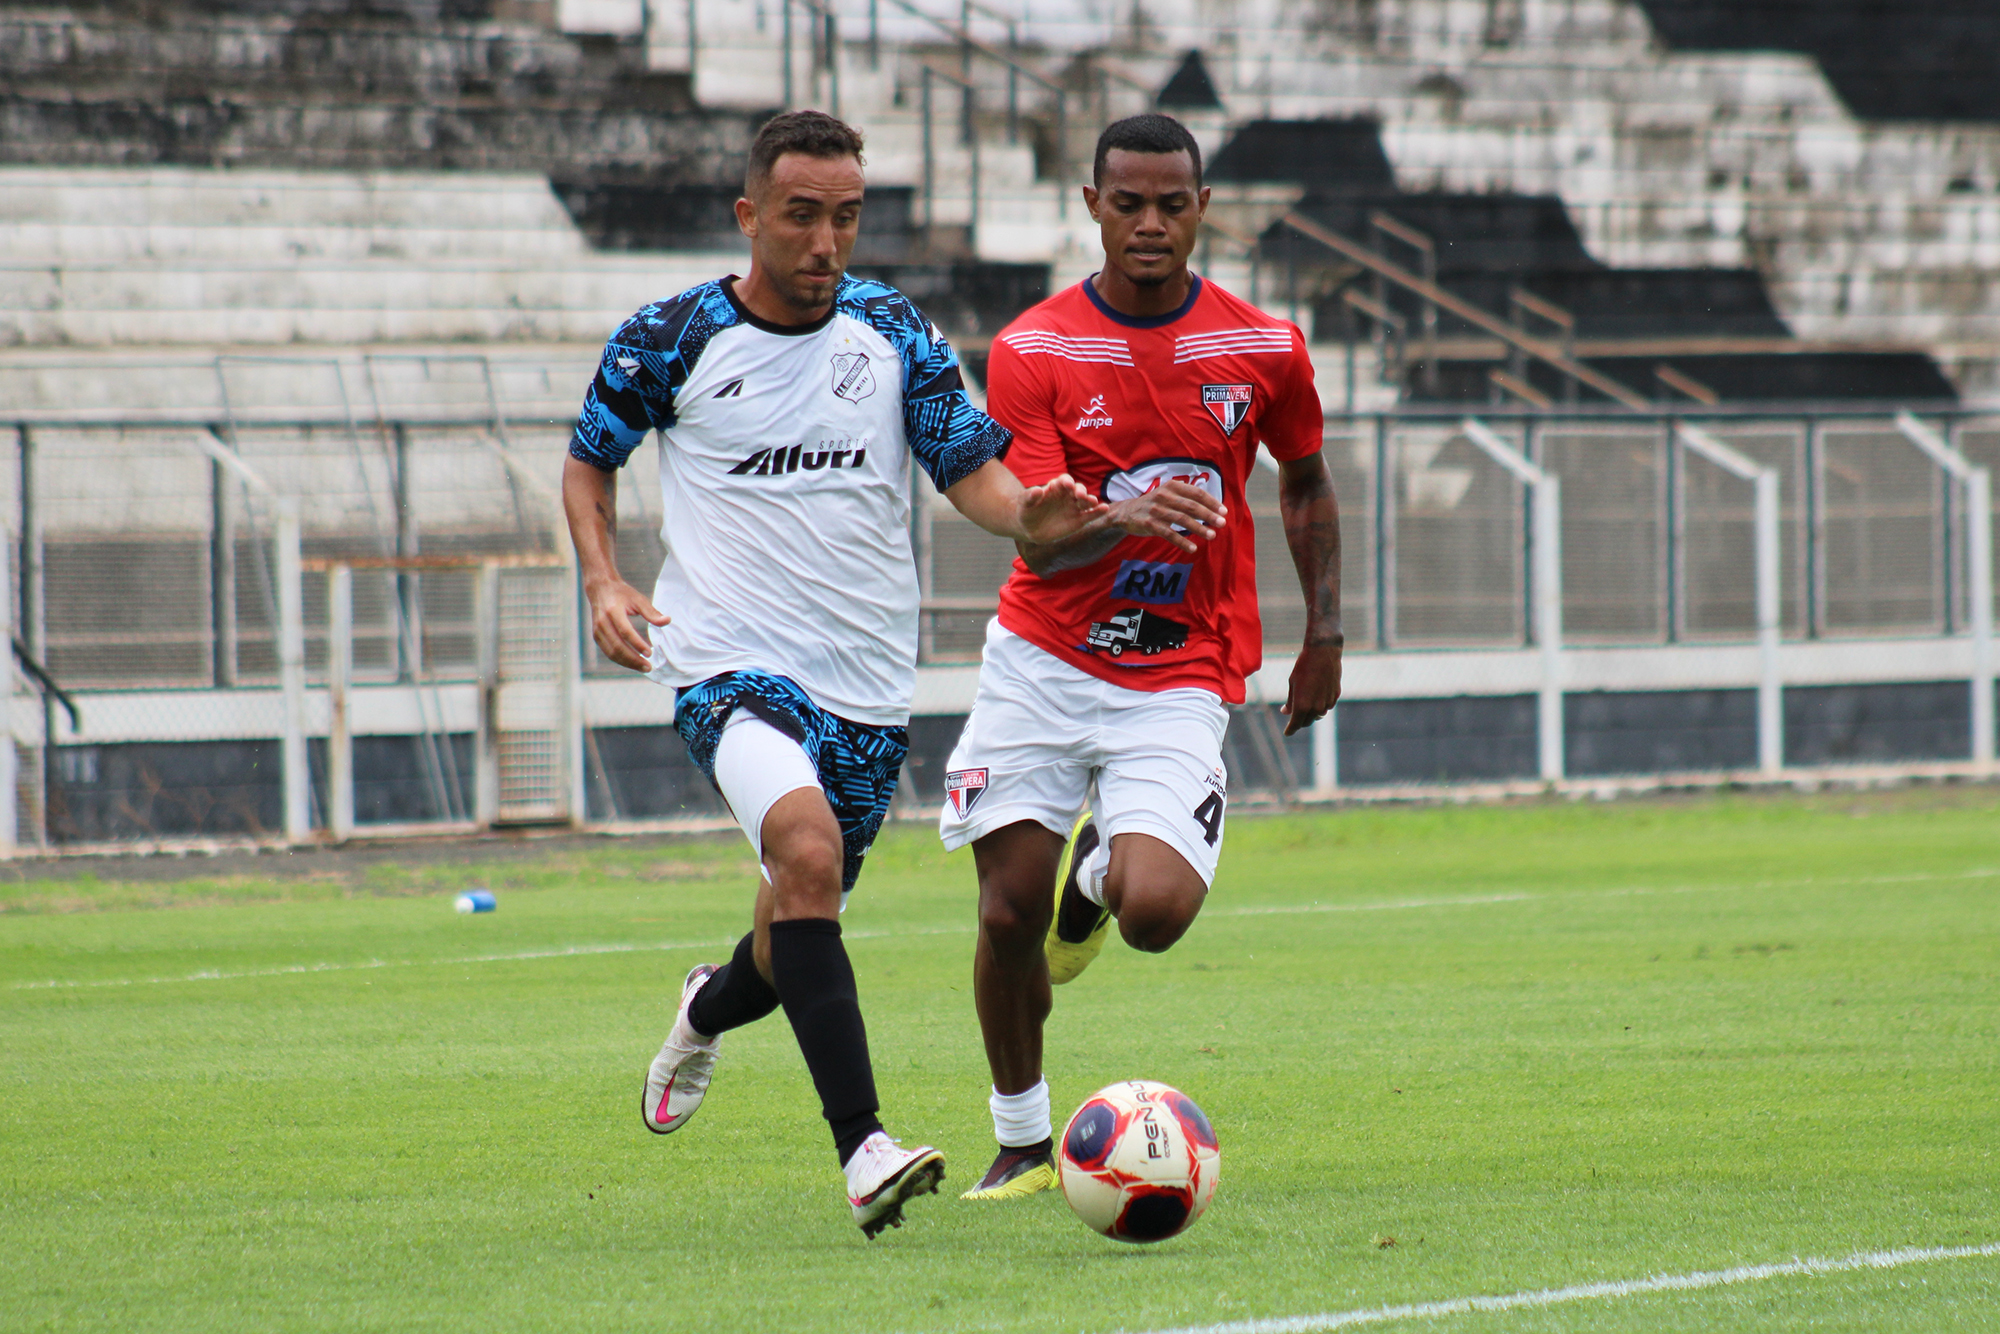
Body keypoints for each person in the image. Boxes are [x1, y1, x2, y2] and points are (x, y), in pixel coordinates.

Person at [563, 109, 1100, 1237]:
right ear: (748, 215)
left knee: (789, 919)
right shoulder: (668, 336)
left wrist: (1030, 521)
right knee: (803, 852)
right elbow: (588, 459)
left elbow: (974, 474)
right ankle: (863, 1149)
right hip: (725, 665)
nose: (825, 242)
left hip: (865, 688)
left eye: (845, 217)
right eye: (801, 216)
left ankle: (705, 1006)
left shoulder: (891, 329)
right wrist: (605, 579)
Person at [938, 113, 1343, 1200]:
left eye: (1173, 203)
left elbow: (1304, 483)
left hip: (1179, 668)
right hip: (1042, 657)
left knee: (1156, 912)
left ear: (1203, 207)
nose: (1151, 223)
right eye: (1129, 203)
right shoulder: (1033, 348)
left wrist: (1326, 634)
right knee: (1005, 911)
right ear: (1091, 208)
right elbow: (1031, 524)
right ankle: (1022, 1135)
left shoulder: (1263, 347)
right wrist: (1123, 515)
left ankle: (1104, 871)